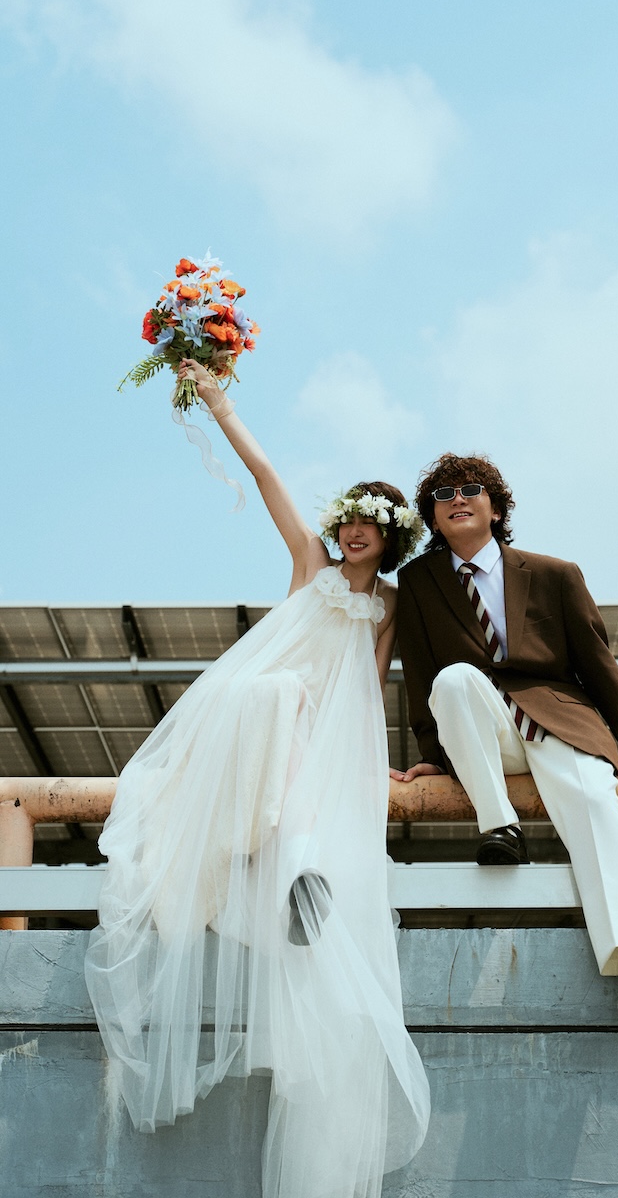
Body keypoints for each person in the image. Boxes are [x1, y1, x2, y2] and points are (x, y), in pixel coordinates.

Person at [85, 361, 430, 1198]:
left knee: (309, 744)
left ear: (391, 540)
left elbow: (370, 684)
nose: (355, 533)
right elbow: (266, 471)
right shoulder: (310, 563)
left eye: (371, 526)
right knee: (285, 696)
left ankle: (298, 886)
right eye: (349, 520)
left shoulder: (387, 607)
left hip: (314, 738)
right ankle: (293, 871)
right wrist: (218, 401)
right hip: (251, 707)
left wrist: (378, 759)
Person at [393, 452, 618, 1020]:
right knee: (452, 678)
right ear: (432, 518)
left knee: (595, 805)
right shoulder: (418, 583)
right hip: (486, 729)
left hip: (560, 721)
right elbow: (422, 676)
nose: (457, 499)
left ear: (496, 509)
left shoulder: (555, 574)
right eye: (443, 495)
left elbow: (599, 666)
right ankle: (500, 827)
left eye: (470, 490)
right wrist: (435, 754)